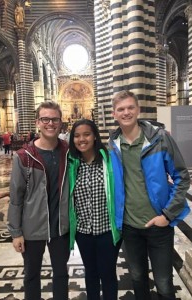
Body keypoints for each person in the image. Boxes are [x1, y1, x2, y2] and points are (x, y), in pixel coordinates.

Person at [109, 90, 190, 300]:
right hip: (129, 226)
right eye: (121, 109)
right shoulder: (112, 146)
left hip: (158, 224)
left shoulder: (159, 139)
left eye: (130, 107)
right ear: (114, 114)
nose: (126, 112)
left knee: (163, 282)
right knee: (137, 278)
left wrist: (167, 215)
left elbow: (182, 177)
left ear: (138, 109)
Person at [8, 101, 70, 300]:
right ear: (38, 122)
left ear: (61, 122)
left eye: (54, 119)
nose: (50, 123)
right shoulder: (24, 156)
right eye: (45, 119)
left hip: (61, 228)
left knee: (61, 275)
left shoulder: (69, 152)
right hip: (32, 229)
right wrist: (15, 232)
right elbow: (16, 197)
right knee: (32, 276)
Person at [68, 119, 122, 300]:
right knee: (90, 273)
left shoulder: (108, 160)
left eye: (86, 134)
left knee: (107, 274)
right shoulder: (72, 164)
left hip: (107, 230)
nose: (81, 139)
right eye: (76, 136)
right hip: (83, 232)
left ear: (95, 136)